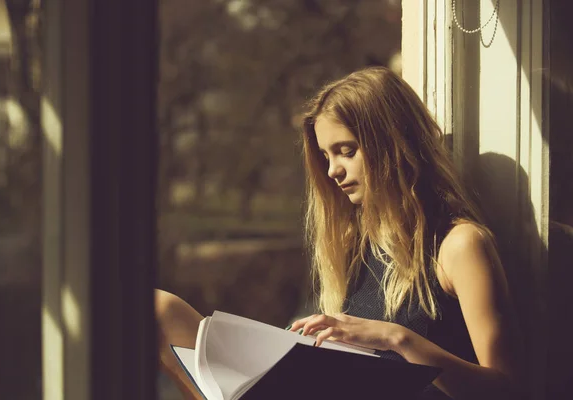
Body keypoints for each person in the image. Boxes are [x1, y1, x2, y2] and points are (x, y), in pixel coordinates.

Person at [155, 66, 523, 399]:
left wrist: (399, 340)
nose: (332, 171)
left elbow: (507, 390)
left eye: (346, 151)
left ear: (394, 145)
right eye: (326, 156)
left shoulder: (459, 246)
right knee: (159, 311)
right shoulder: (356, 244)